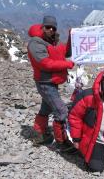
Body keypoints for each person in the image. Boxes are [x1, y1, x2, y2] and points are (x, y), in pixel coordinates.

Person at [27, 15, 75, 152]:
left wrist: (72, 38)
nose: (51, 30)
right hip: (44, 82)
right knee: (61, 111)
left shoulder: (53, 41)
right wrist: (67, 64)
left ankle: (39, 134)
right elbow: (45, 64)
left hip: (51, 82)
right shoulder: (36, 43)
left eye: (53, 28)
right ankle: (62, 143)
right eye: (48, 27)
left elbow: (65, 51)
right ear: (42, 27)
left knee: (46, 108)